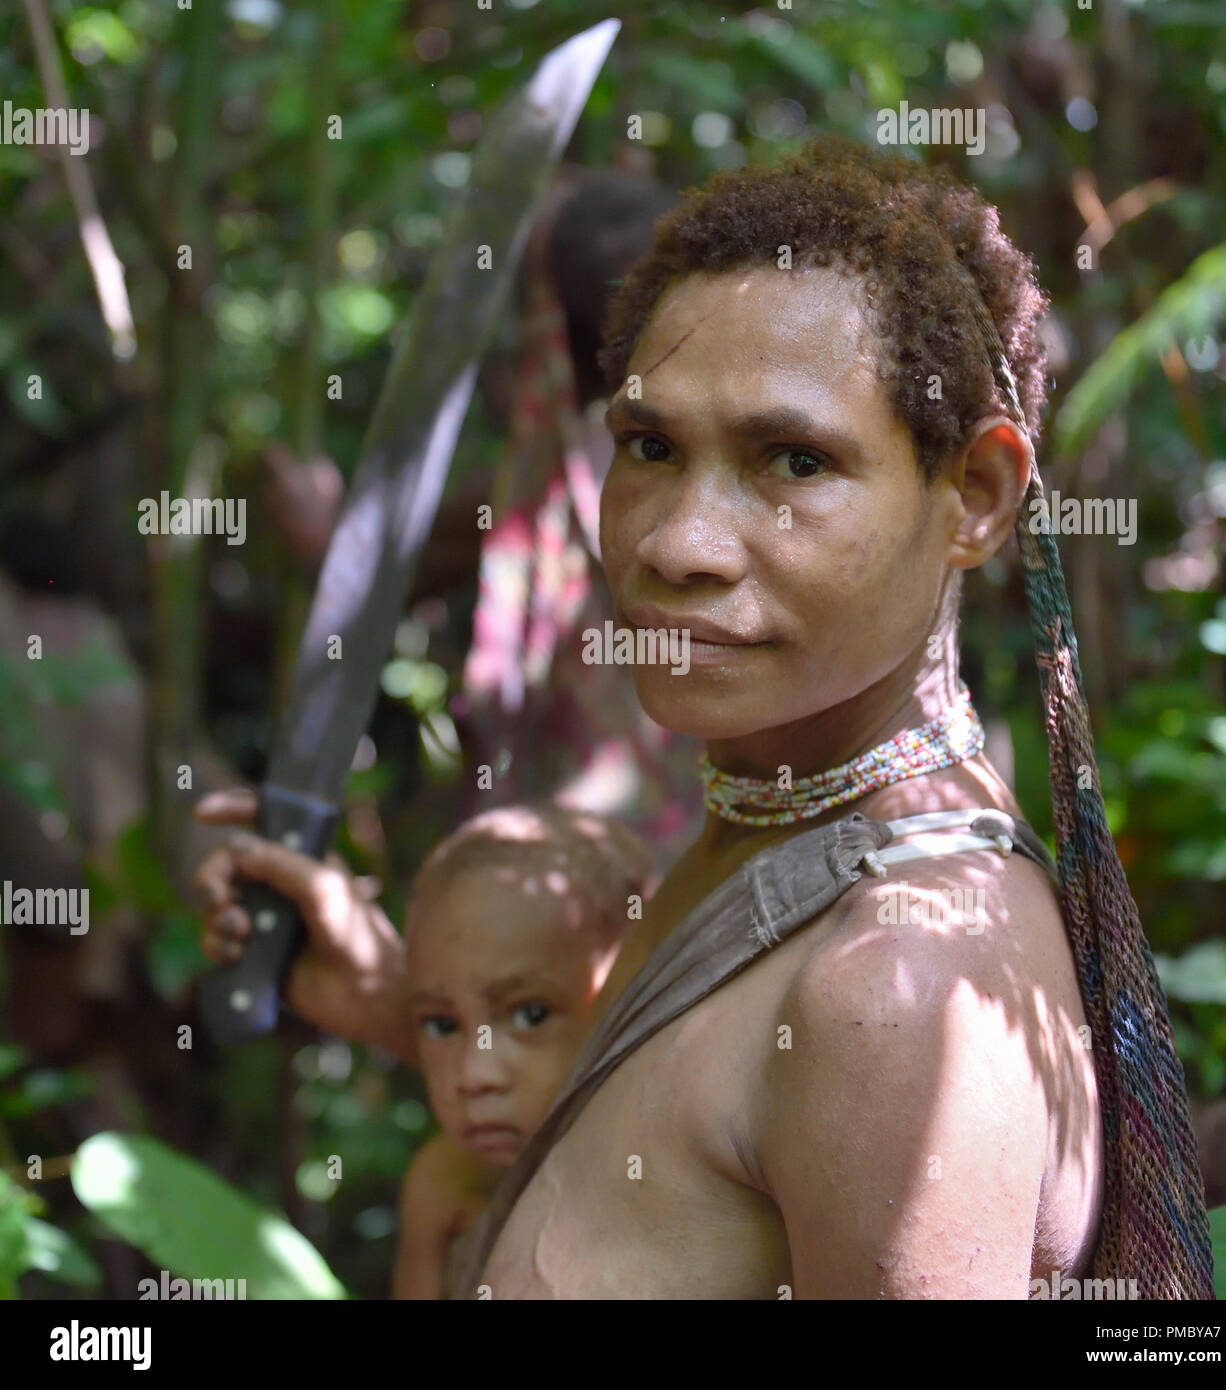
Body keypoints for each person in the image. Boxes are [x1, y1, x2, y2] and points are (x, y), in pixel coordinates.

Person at [449, 135, 1111, 1298]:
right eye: (649, 447)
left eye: (793, 461)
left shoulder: (893, 991)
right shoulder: (767, 829)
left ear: (974, 495)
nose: (673, 544)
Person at [192, 793, 653, 1298]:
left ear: (636, 997)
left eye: (531, 1014)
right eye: (440, 1024)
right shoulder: (443, 1183)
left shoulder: (671, 1175)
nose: (475, 1075)